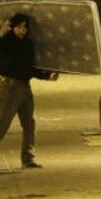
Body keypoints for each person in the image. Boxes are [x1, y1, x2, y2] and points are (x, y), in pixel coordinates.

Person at [0, 13, 58, 168]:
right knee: (2, 123)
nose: (22, 30)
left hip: (25, 87)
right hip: (10, 88)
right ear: (12, 28)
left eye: (25, 27)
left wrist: (47, 76)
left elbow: (30, 68)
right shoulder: (5, 43)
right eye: (19, 27)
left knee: (29, 124)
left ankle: (28, 158)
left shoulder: (27, 44)